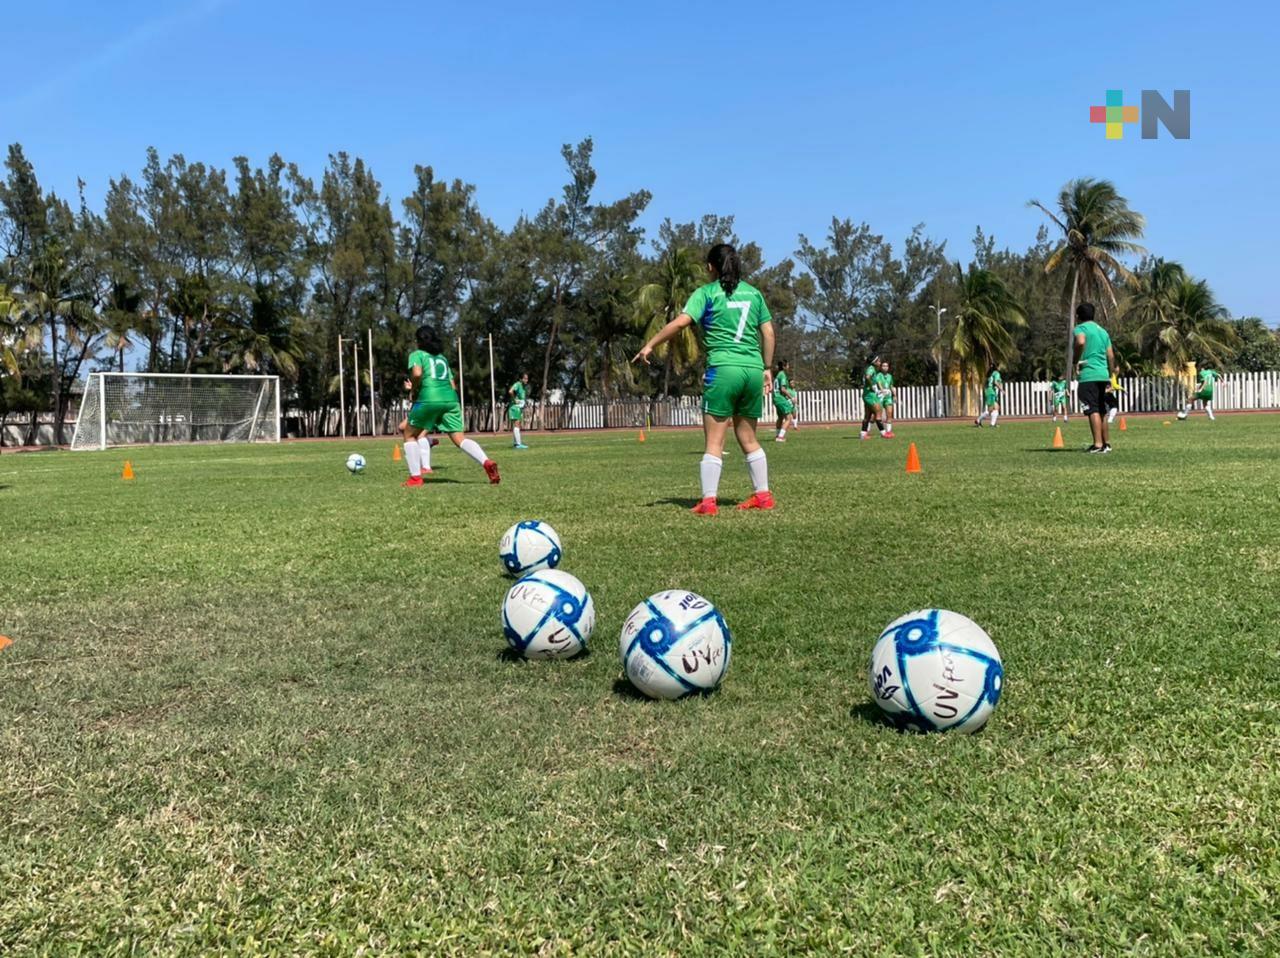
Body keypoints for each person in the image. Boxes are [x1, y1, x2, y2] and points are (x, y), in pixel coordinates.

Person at [633, 243, 775, 515]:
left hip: (723, 369)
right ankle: (763, 496)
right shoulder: (754, 294)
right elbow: (768, 333)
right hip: (752, 370)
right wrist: (767, 367)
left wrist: (650, 344)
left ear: (711, 267)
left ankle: (708, 502)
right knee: (748, 437)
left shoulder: (707, 293)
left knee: (714, 442)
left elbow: (680, 323)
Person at [402, 324, 501, 487]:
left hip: (429, 398)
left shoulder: (417, 354)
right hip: (451, 399)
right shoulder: (442, 358)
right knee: (460, 439)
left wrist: (413, 388)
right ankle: (486, 462)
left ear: (418, 341)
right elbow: (453, 384)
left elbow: (417, 373)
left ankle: (415, 478)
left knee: (409, 434)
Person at [1072, 302, 1115, 453]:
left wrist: (1075, 360)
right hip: (1103, 374)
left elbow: (1080, 341)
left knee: (1092, 409)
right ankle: (1106, 443)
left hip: (1088, 374)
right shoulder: (1103, 331)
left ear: (1078, 316)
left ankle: (1097, 444)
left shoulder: (1080, 328)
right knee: (1102, 409)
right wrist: (1110, 374)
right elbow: (1110, 355)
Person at [859, 356, 886, 440]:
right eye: (878, 361)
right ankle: (884, 433)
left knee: (867, 415)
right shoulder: (871, 368)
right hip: (870, 395)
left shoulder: (873, 369)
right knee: (878, 411)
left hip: (867, 394)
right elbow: (867, 377)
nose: (880, 362)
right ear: (874, 362)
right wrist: (871, 386)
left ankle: (863, 435)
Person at [772, 359, 797, 442]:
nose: (788, 367)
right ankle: (780, 437)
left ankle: (777, 435)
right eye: (788, 365)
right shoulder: (782, 375)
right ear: (784, 366)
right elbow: (783, 389)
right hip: (780, 398)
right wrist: (791, 398)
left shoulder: (778, 375)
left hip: (775, 397)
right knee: (788, 418)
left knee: (780, 417)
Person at [508, 372, 530, 448]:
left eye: (527, 378)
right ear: (521, 379)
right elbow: (510, 391)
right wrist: (514, 400)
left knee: (517, 425)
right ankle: (518, 444)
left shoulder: (523, 387)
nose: (526, 380)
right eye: (525, 378)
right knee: (517, 424)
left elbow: (521, 398)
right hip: (515, 407)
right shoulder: (517, 384)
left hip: (518, 407)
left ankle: (516, 443)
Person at [876, 358, 896, 438]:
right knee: (876, 416)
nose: (885, 367)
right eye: (883, 366)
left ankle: (888, 432)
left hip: (888, 397)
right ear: (881, 367)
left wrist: (894, 395)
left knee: (889, 413)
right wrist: (882, 390)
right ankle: (866, 431)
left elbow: (891, 385)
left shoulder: (890, 376)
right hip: (880, 396)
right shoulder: (878, 375)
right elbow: (879, 383)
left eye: (886, 366)